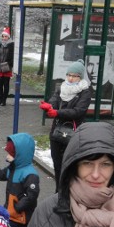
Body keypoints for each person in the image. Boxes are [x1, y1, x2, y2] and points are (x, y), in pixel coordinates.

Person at [40, 61, 93, 192]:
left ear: (80, 77)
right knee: (57, 164)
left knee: (70, 165)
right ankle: (59, 192)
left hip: (73, 132)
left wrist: (58, 112)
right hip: (57, 131)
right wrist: (49, 106)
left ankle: (70, 192)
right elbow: (54, 100)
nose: (70, 78)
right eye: (69, 75)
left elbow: (78, 111)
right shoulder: (62, 87)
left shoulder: (85, 92)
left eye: (74, 76)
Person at [0, 133, 40, 227]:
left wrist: (17, 207)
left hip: (22, 217)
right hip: (11, 214)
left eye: (11, 154)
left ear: (20, 155)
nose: (7, 156)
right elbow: (0, 175)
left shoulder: (30, 174)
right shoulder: (13, 168)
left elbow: (32, 196)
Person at [0, 28, 14, 106]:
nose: (4, 38)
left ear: (8, 37)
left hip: (7, 67)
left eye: (6, 36)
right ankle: (0, 100)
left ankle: (4, 100)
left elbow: (13, 57)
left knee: (6, 84)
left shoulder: (11, 45)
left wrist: (8, 63)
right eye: (3, 36)